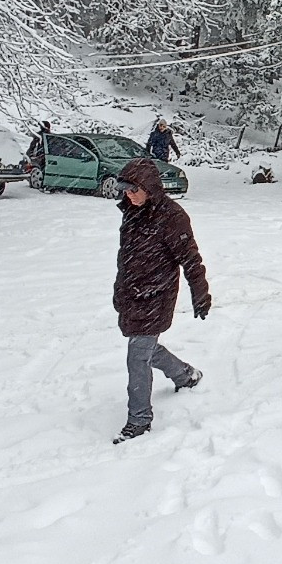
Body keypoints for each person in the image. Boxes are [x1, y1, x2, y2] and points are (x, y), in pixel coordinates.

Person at [111, 157, 210, 443]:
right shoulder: (131, 211)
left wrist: (200, 292)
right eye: (125, 190)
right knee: (145, 348)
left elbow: (190, 258)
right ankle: (185, 375)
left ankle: (139, 420)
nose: (128, 195)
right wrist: (121, 289)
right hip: (132, 292)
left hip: (157, 294)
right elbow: (127, 258)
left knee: (137, 355)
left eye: (134, 190)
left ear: (150, 187)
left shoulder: (171, 215)